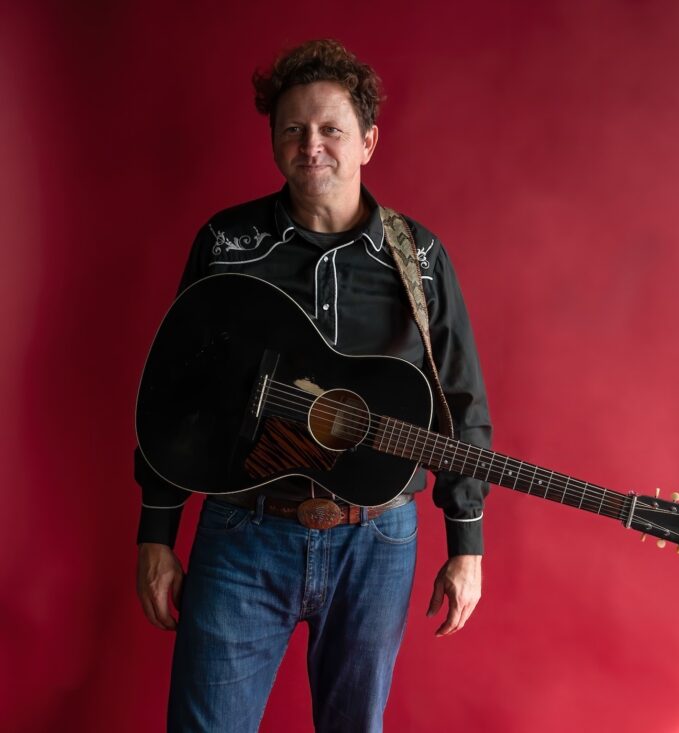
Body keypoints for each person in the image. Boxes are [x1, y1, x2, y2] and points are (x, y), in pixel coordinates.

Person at [134, 39, 492, 732]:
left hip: (378, 540)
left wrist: (467, 546)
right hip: (243, 530)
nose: (312, 146)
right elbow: (176, 394)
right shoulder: (226, 244)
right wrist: (156, 531)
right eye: (293, 129)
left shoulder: (418, 257)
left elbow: (461, 401)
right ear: (273, 141)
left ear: (368, 142)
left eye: (331, 129)